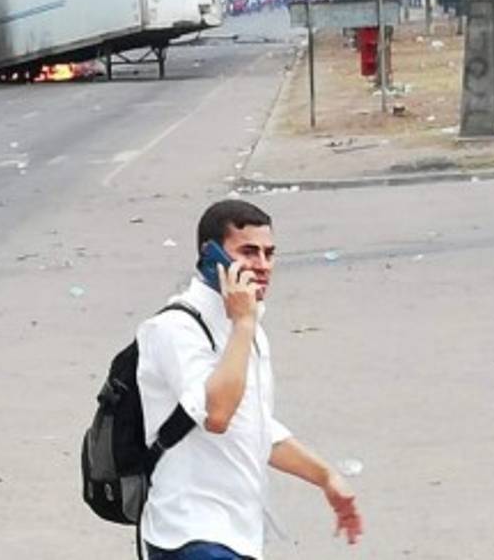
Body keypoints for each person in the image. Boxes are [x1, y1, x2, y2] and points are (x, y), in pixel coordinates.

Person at [136, 200, 363, 560]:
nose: (262, 266)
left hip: (236, 534)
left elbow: (255, 427)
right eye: (248, 252)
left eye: (269, 254)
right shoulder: (174, 328)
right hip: (191, 534)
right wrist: (243, 322)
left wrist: (326, 477)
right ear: (210, 257)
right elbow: (219, 415)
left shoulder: (247, 327)